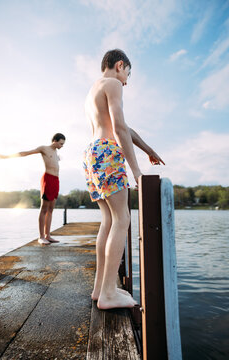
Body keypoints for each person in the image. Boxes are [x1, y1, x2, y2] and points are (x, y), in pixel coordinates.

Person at [83, 49, 165, 310]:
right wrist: (137, 172)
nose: (127, 82)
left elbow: (125, 128)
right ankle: (108, 293)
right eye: (127, 74)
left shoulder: (93, 91)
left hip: (91, 153)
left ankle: (100, 288)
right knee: (122, 219)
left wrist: (148, 149)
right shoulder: (114, 84)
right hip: (107, 151)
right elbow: (118, 129)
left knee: (108, 219)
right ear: (120, 65)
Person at [0, 133, 66, 245]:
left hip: (56, 180)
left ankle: (48, 235)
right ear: (55, 140)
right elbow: (25, 153)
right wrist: (6, 156)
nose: (62, 146)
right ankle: (41, 237)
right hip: (48, 179)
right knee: (44, 209)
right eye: (61, 143)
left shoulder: (56, 152)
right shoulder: (44, 148)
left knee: (51, 209)